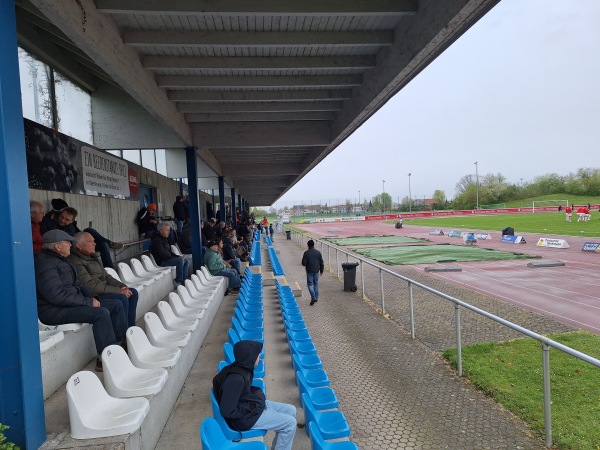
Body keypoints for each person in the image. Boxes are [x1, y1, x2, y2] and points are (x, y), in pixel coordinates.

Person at [35, 230, 126, 372]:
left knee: (116, 304)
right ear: (58, 247)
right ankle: (104, 359)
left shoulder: (63, 260)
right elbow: (56, 295)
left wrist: (93, 297)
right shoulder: (44, 264)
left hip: (69, 305)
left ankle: (119, 344)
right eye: (67, 243)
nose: (70, 246)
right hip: (53, 311)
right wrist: (88, 303)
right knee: (101, 313)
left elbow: (79, 285)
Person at [213, 340, 297, 450]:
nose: (259, 357)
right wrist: (252, 407)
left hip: (249, 406)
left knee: (291, 410)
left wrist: (253, 403)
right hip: (244, 418)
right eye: (257, 355)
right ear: (250, 357)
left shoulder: (242, 367)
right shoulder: (236, 379)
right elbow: (226, 411)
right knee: (290, 423)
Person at [68, 232, 139, 328]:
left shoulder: (93, 256)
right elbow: (90, 286)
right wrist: (119, 291)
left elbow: (107, 276)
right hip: (93, 296)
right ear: (79, 246)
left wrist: (122, 286)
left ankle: (131, 328)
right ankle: (123, 334)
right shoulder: (75, 261)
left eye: (94, 241)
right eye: (90, 242)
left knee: (132, 292)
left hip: (104, 290)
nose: (95, 244)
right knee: (121, 297)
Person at [40, 205, 123, 268]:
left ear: (72, 221)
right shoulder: (49, 220)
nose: (62, 220)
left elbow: (74, 238)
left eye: (67, 220)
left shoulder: (71, 227)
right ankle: (110, 243)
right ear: (60, 213)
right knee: (90, 231)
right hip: (64, 248)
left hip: (75, 245)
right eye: (62, 217)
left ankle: (109, 270)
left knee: (103, 244)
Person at [301, 239, 324, 306]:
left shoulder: (306, 253)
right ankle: (315, 298)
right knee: (316, 284)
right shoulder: (318, 252)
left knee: (310, 284)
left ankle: (313, 297)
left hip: (309, 271)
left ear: (308, 245)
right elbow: (321, 262)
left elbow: (303, 263)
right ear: (313, 245)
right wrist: (321, 270)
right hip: (316, 270)